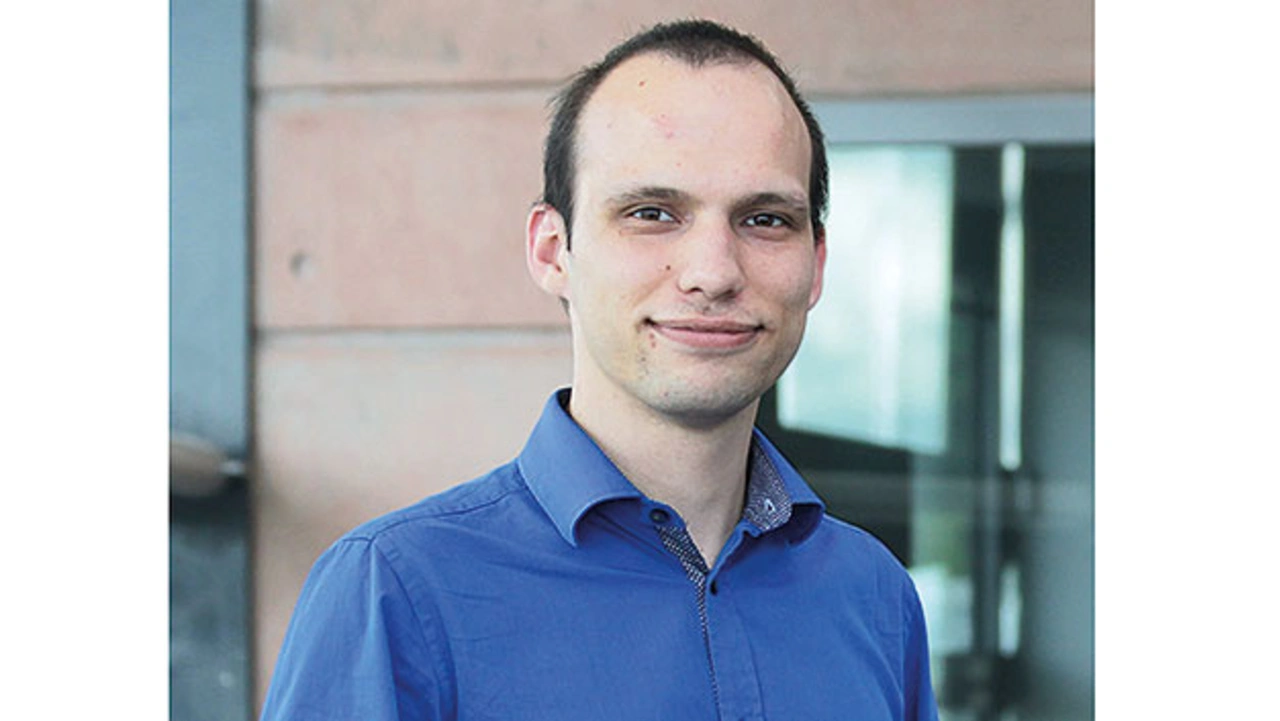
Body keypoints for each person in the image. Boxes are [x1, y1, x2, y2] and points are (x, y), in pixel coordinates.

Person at [261, 19, 939, 721]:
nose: (713, 272)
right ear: (552, 250)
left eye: (765, 219)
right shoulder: (397, 592)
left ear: (816, 263)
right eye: (652, 212)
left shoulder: (875, 598)